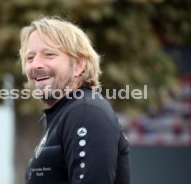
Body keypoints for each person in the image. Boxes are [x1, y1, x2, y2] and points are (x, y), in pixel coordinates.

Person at [19, 16, 130, 184]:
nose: (36, 65)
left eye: (49, 54)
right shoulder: (65, 114)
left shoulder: (86, 112)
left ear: (78, 65)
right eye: (30, 58)